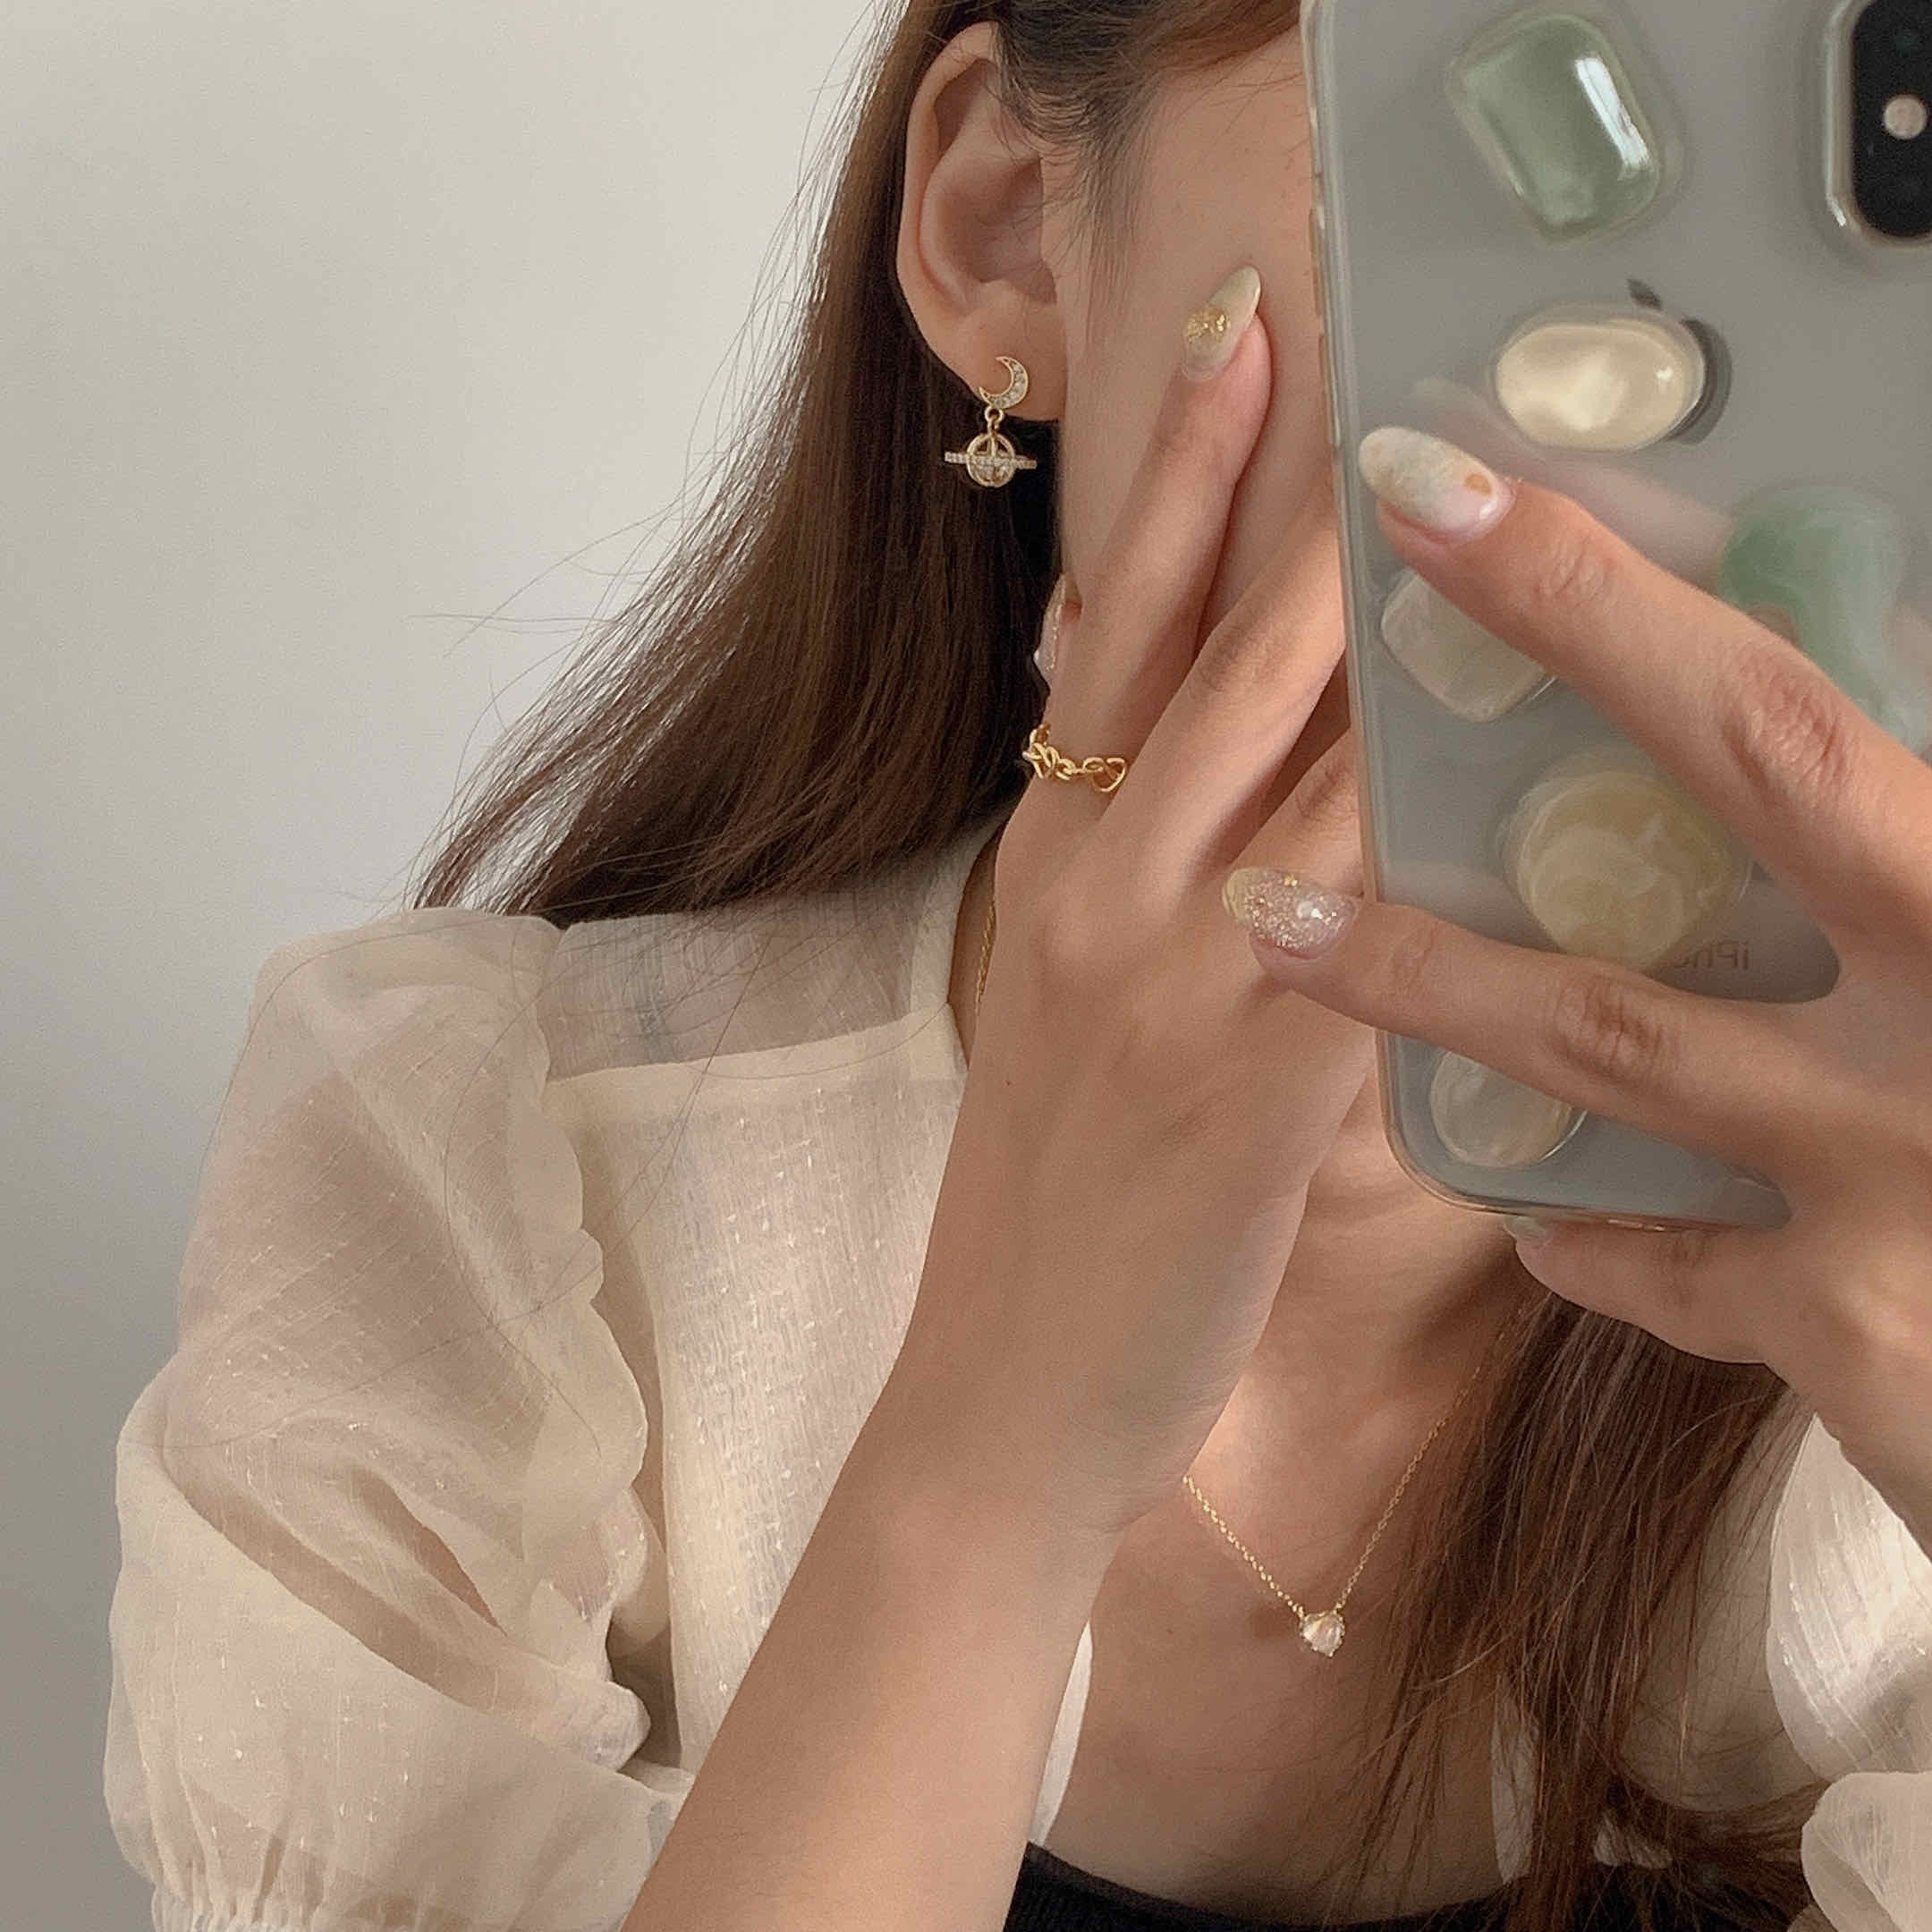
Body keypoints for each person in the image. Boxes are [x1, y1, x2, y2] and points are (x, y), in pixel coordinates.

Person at [103, 5, 1932, 1932]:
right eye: (1508, 162)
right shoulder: (496, 1190)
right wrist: (995, 1456)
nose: (1670, 428)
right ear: (1005, 228)